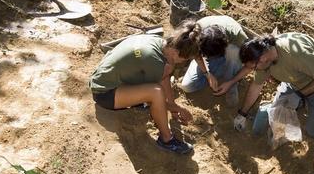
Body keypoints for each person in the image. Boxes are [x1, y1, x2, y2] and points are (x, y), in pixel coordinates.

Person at [89, 21, 200, 154]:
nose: (184, 62)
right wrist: (179, 109)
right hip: (104, 93)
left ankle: (137, 104)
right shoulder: (153, 60)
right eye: (184, 59)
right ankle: (166, 140)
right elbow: (156, 96)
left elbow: (164, 78)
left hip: (107, 79)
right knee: (155, 93)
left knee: (157, 88)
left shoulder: (159, 43)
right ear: (176, 52)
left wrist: (172, 105)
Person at [234, 33, 314, 137]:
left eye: (254, 68)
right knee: (277, 115)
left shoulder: (296, 53)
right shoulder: (264, 58)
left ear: (263, 59)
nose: (254, 70)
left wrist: (298, 95)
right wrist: (242, 114)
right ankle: (302, 101)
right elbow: (256, 85)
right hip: (295, 81)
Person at [180, 15, 252, 106]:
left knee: (233, 51)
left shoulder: (239, 37)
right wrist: (207, 74)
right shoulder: (197, 31)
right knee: (187, 86)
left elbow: (251, 65)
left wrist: (231, 82)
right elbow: (196, 54)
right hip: (211, 52)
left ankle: (230, 81)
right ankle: (218, 72)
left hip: (231, 52)